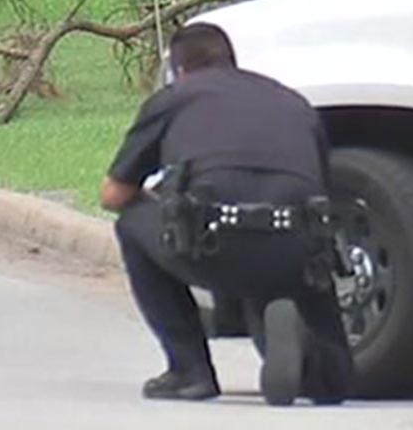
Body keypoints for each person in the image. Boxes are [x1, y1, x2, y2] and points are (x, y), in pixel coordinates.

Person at [100, 23, 352, 405]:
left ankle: (189, 371)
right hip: (296, 250)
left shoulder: (175, 98)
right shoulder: (291, 101)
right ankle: (318, 365)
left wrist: (162, 192)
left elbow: (114, 195)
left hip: (216, 245)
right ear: (231, 61)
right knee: (334, 384)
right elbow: (322, 187)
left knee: (132, 223)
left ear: (179, 70)